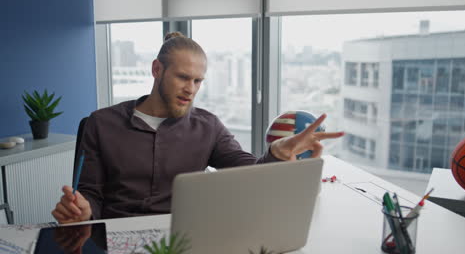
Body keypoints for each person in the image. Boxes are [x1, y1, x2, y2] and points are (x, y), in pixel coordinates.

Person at [52, 32, 344, 224]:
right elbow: (90, 193)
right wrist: (84, 209)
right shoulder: (101, 123)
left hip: (185, 239)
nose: (190, 89)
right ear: (157, 70)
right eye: (182, 77)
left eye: (197, 81)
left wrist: (277, 152)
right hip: (115, 237)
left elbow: (250, 172)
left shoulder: (208, 126)